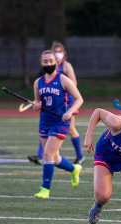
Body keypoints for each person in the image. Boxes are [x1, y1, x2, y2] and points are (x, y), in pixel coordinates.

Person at [32, 50, 83, 199]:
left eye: (50, 61)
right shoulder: (38, 82)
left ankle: (45, 189)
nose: (48, 63)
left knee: (47, 154)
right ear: (41, 63)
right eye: (45, 61)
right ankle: (74, 169)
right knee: (54, 158)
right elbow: (38, 101)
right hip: (44, 122)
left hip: (60, 122)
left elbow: (79, 99)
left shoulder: (63, 80)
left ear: (56, 62)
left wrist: (70, 112)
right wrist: (36, 104)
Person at [28, 41, 85, 165]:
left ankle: (80, 156)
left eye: (60, 51)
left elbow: (73, 84)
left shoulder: (66, 66)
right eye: (56, 51)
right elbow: (39, 97)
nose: (58, 54)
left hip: (66, 102)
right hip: (51, 104)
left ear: (63, 53)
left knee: (70, 128)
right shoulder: (41, 79)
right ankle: (40, 155)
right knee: (47, 125)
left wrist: (60, 90)